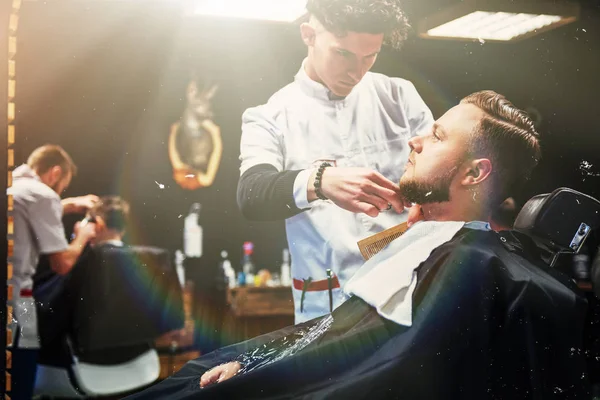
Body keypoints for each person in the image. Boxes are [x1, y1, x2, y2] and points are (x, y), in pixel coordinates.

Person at [126, 90, 590, 399]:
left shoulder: (468, 265)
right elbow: (253, 193)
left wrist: (254, 379)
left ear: (473, 174)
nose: (414, 139)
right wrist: (252, 364)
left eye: (436, 135)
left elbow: (378, 376)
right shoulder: (274, 111)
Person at [237, 0, 434, 323]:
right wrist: (320, 181)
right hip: (328, 302)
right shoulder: (269, 116)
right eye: (343, 54)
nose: (357, 72)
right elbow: (252, 194)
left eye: (369, 56)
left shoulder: (399, 97)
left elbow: (440, 169)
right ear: (309, 35)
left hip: (408, 287)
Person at [7, 144, 98, 399]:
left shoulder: (13, 187)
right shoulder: (42, 195)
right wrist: (82, 236)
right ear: (55, 173)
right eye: (61, 187)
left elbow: (34, 209)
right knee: (20, 381)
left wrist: (67, 204)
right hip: (17, 301)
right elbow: (62, 264)